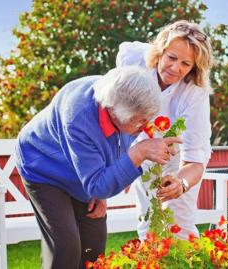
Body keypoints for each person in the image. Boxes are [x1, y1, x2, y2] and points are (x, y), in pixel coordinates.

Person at [15, 66, 181, 269]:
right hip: (43, 166)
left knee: (94, 240)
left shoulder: (121, 95)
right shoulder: (78, 117)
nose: (145, 127)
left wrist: (102, 187)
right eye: (141, 122)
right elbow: (98, 182)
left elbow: (113, 145)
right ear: (117, 113)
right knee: (66, 245)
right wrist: (138, 154)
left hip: (82, 168)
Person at [116, 20, 213, 240]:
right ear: (160, 51)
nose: (176, 68)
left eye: (186, 64)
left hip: (179, 154)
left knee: (179, 226)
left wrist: (182, 182)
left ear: (194, 68)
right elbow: (114, 111)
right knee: (148, 223)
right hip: (143, 145)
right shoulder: (133, 59)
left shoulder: (195, 93)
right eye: (171, 57)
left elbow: (195, 161)